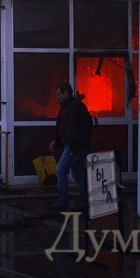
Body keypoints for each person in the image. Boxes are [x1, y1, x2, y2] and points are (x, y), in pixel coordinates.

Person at [48, 82, 92, 211]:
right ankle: (86, 202)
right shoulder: (67, 107)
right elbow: (64, 128)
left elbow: (83, 126)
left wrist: (75, 142)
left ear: (66, 93)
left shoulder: (74, 107)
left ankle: (62, 202)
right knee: (77, 173)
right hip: (73, 145)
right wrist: (58, 142)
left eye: (59, 94)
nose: (57, 97)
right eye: (56, 94)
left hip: (74, 146)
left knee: (61, 170)